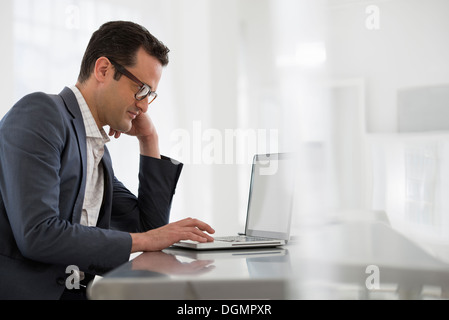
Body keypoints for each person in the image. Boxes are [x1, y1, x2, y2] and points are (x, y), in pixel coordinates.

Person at [0, 21, 215, 300]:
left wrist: (149, 139)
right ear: (103, 70)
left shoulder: (97, 150)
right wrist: (145, 240)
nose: (144, 105)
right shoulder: (42, 114)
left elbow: (149, 228)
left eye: (150, 94)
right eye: (141, 89)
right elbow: (38, 234)